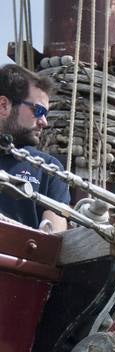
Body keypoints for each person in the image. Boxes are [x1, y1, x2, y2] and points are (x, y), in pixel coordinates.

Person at [0, 64, 67, 233]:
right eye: (38, 110)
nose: (44, 121)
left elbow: (54, 238)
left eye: (46, 114)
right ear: (3, 105)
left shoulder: (49, 169)